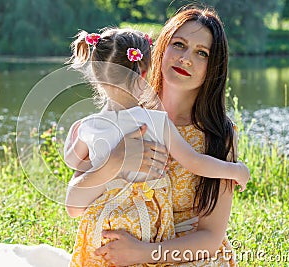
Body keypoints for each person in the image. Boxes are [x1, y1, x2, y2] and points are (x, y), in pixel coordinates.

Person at [64, 13, 249, 266]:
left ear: (213, 66)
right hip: (116, 248)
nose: (186, 58)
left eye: (202, 53)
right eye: (179, 45)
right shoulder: (122, 118)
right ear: (160, 49)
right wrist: (114, 162)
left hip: (186, 254)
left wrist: (141, 253)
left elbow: (210, 238)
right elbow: (74, 206)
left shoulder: (217, 135)